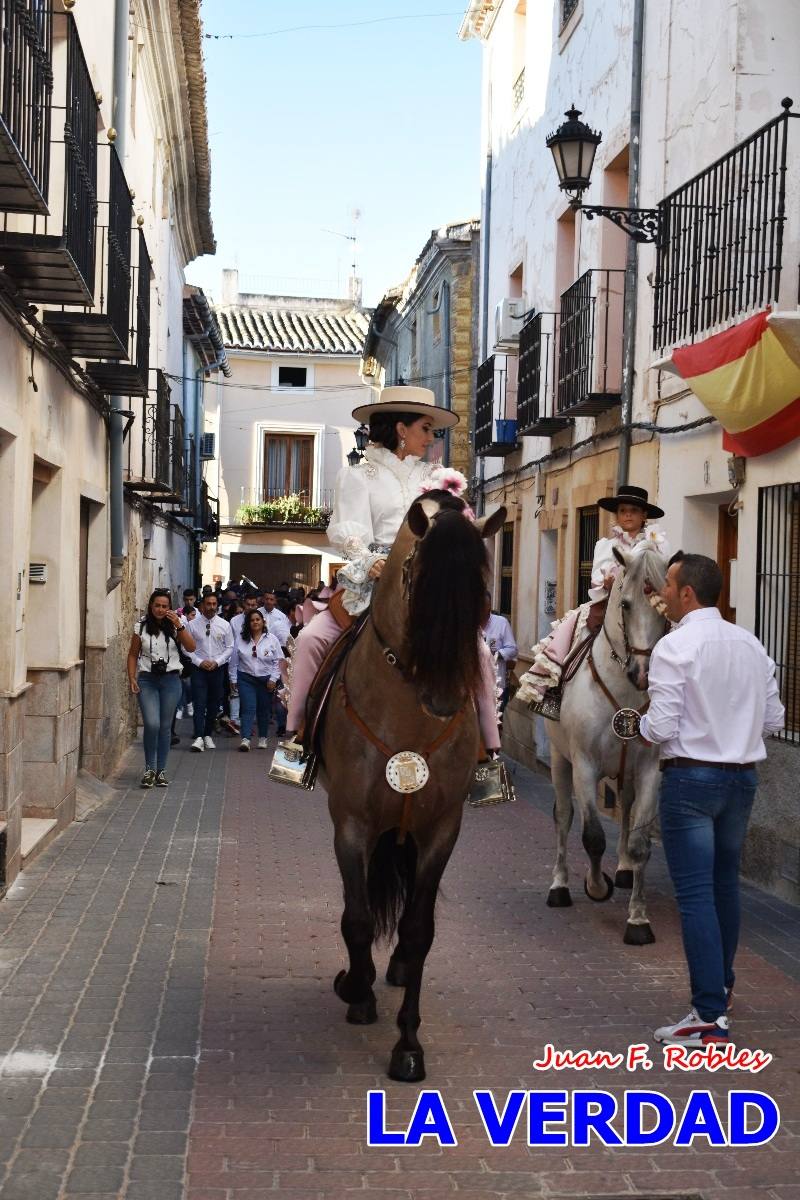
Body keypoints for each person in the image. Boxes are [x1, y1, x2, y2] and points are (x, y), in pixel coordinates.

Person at [280, 384, 500, 753]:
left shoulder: (436, 480)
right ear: (401, 429)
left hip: (428, 583)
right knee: (310, 639)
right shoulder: (356, 476)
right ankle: (299, 739)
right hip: (373, 579)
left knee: (477, 650)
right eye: (425, 428)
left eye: (431, 431)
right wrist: (371, 561)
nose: (431, 438)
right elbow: (347, 530)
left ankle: (487, 750)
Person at [638, 552, 784, 1048]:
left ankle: (707, 1015)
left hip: (690, 781)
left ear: (687, 594)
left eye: (669, 586)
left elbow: (659, 726)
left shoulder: (675, 646)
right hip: (741, 778)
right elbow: (773, 719)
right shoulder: (751, 644)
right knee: (725, 886)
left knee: (696, 895)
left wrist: (635, 726)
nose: (663, 596)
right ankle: (719, 989)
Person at [517, 485, 670, 703]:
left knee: (678, 633)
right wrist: (608, 581)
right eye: (623, 510)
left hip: (650, 604)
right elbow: (597, 578)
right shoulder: (606, 546)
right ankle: (554, 693)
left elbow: (664, 576)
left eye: (634, 510)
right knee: (570, 629)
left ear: (644, 515)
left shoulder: (658, 544)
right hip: (609, 603)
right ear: (617, 515)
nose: (627, 515)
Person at [127, 589, 196, 788]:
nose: (160, 609)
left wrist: (179, 625)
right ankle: (149, 769)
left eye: (164, 606)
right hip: (148, 680)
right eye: (157, 605)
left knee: (165, 727)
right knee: (152, 724)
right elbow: (132, 654)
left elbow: (191, 648)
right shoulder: (140, 627)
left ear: (170, 608)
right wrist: (132, 677)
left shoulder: (176, 626)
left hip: (171, 681)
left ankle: (161, 771)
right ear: (151, 606)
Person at [229, 609, 285, 751]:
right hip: (245, 678)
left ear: (263, 621)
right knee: (248, 708)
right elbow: (234, 661)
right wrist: (233, 678)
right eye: (252, 620)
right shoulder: (240, 640)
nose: (255, 622)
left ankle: (263, 737)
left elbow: (279, 661)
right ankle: (246, 739)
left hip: (266, 680)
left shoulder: (272, 639)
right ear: (247, 623)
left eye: (257, 619)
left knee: (263, 710)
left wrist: (273, 678)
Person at [187, 593, 234, 752]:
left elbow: (230, 648)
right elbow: (186, 648)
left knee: (214, 703)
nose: (211, 607)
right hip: (198, 669)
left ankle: (207, 734)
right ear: (202, 605)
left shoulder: (224, 625)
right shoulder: (192, 625)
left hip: (217, 669)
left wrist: (217, 662)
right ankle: (199, 737)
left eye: (214, 604)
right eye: (208, 603)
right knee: (199, 702)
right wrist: (200, 662)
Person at [481, 594, 518, 714]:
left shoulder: (501, 623)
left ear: (489, 607)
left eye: (483, 607)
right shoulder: (468, 624)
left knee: (496, 722)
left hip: (497, 686)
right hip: (474, 688)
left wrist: (495, 654)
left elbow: (512, 649)